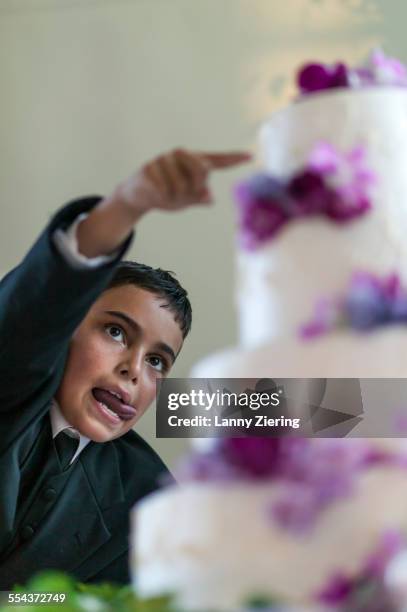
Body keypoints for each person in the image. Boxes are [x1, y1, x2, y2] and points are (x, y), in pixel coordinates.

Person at [0, 147, 251, 588]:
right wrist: (128, 204)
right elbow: (34, 307)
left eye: (157, 361)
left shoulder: (145, 496)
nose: (134, 370)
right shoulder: (11, 377)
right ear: (65, 327)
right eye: (116, 332)